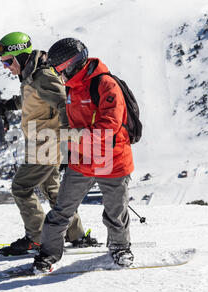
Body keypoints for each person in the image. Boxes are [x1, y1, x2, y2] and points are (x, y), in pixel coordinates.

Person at [0, 32, 98, 256]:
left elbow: (63, 104)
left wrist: (71, 141)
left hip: (47, 142)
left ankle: (36, 238)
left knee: (21, 187)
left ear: (20, 56)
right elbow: (35, 98)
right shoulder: (31, 75)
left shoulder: (42, 75)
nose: (5, 67)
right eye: (3, 63)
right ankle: (75, 235)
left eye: (8, 61)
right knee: (52, 188)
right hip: (41, 140)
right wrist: (9, 104)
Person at [33, 38, 135, 271]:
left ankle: (120, 247)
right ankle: (48, 254)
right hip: (81, 159)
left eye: (59, 69)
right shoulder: (71, 87)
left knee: (115, 210)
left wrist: (72, 137)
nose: (58, 75)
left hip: (112, 158)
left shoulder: (106, 85)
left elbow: (109, 125)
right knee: (62, 210)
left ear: (72, 64)